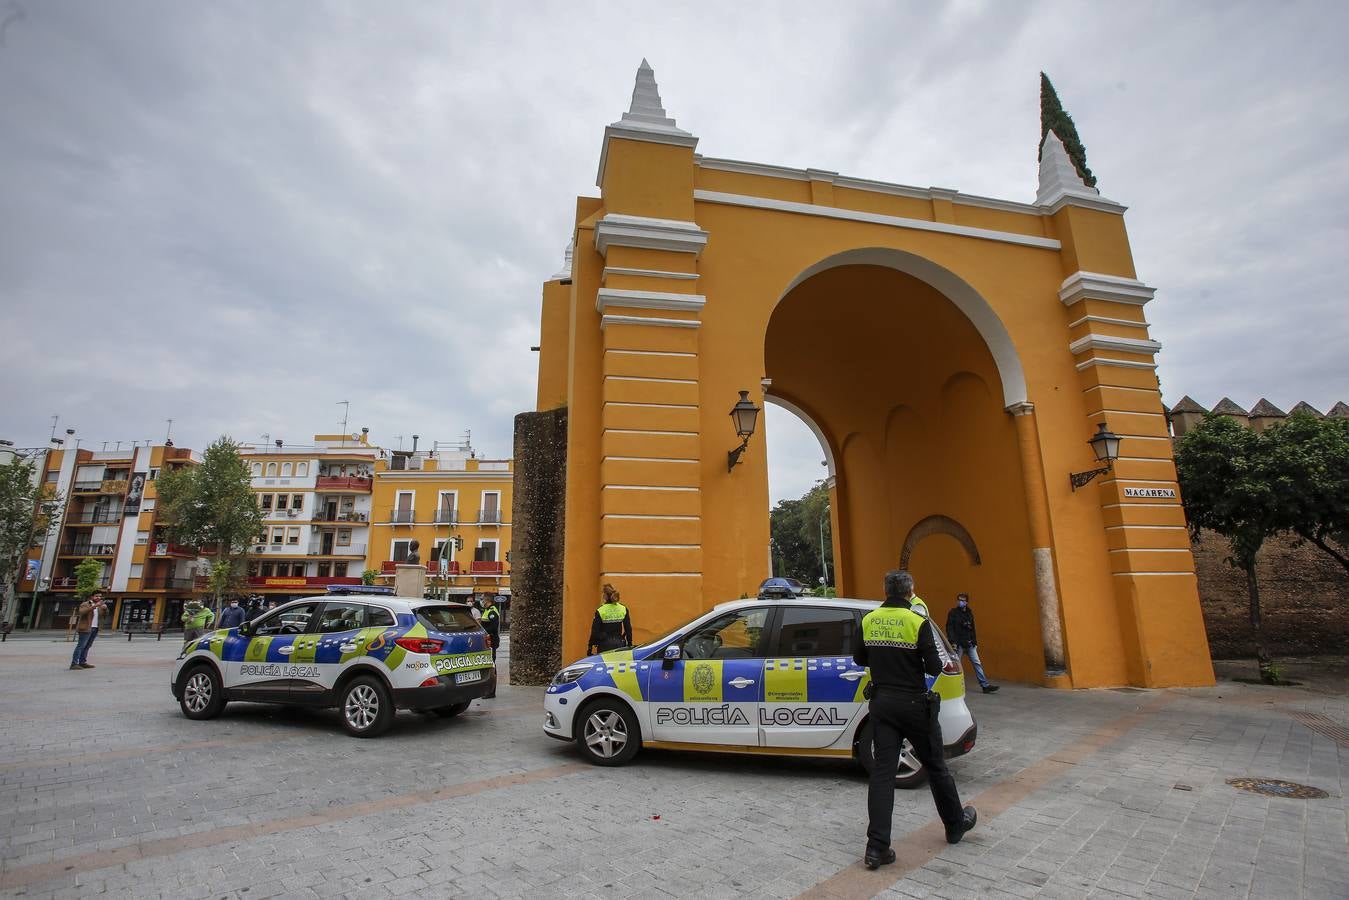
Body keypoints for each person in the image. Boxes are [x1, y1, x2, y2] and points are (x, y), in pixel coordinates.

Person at [855, 570, 977, 869]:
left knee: (883, 774)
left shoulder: (869, 621)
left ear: (885, 591)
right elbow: (935, 665)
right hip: (913, 704)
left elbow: (860, 658)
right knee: (935, 765)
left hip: (882, 704)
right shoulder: (917, 621)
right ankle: (954, 823)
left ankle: (876, 848)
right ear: (910, 592)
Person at [945, 593, 999, 694]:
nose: (960, 602)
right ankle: (955, 686)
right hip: (959, 644)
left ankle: (985, 685)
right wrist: (952, 641)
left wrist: (974, 641)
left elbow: (972, 628)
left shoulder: (969, 613)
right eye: (959, 600)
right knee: (957, 666)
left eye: (962, 600)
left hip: (970, 643)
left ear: (966, 602)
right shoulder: (953, 613)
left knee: (977, 663)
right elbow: (949, 628)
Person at [588, 583, 632, 655]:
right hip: (619, 644)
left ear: (605, 595)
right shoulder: (623, 608)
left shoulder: (600, 610)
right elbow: (628, 629)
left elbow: (594, 632)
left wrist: (590, 647)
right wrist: (630, 644)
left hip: (604, 645)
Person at [70, 591, 107, 670]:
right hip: (86, 627)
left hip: (95, 628)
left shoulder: (100, 606)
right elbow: (82, 612)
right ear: (92, 597)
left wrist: (105, 609)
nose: (98, 598)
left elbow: (104, 616)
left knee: (87, 646)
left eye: (100, 596)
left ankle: (82, 662)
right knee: (81, 646)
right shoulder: (85, 604)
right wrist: (94, 606)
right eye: (96, 596)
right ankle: (74, 663)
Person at [479, 595, 501, 699]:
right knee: (488, 665)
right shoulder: (487, 610)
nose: (481, 601)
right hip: (487, 641)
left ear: (488, 600)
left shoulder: (492, 611)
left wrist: (483, 632)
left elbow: (493, 627)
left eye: (483, 599)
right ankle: (487, 690)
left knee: (491, 666)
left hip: (491, 641)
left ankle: (491, 692)